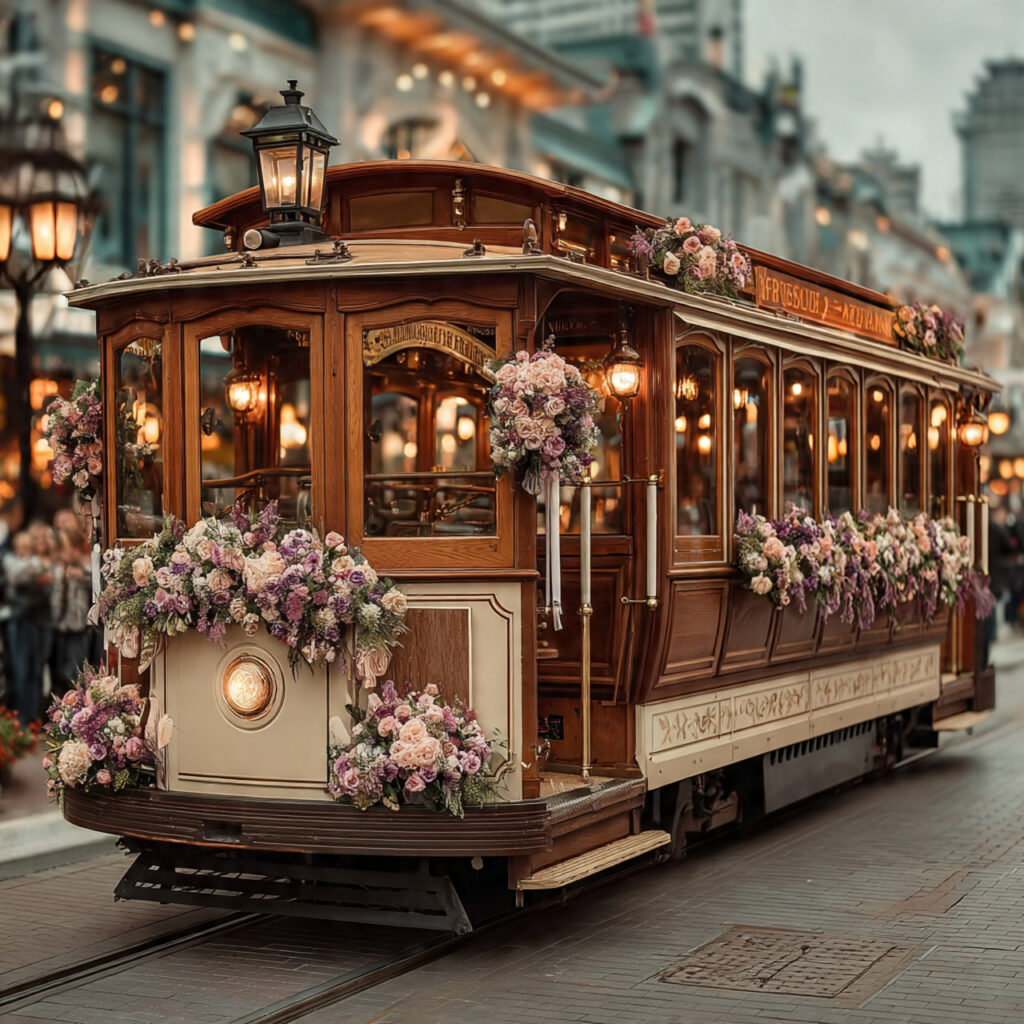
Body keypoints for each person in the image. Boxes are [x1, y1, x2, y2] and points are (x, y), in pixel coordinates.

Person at [3, 531, 52, 723]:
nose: (24, 551)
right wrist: (37, 574)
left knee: (36, 670)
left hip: (37, 621)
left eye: (27, 547)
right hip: (19, 622)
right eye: (21, 547)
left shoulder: (35, 561)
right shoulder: (10, 560)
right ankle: (20, 717)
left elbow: (47, 580)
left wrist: (37, 574)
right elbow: (16, 577)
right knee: (20, 669)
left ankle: (33, 716)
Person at [50, 526, 94, 694]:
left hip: (79, 628)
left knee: (76, 671)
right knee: (59, 671)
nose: (63, 552)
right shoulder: (58, 569)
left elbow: (96, 585)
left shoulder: (86, 568)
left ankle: (77, 699)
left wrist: (82, 576)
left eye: (66, 547)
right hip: (59, 627)